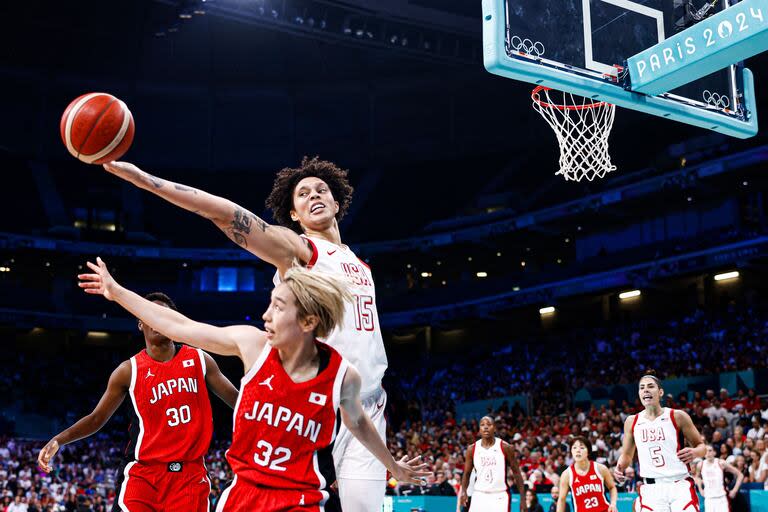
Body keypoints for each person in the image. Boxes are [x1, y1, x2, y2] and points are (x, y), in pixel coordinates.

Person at [102, 156, 390, 511]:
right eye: (302, 194)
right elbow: (227, 215)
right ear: (294, 215)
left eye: (321, 189)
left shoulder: (361, 266)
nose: (314, 195)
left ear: (337, 202)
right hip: (314, 411)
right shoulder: (300, 250)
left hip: (368, 405)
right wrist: (148, 181)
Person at [78, 257, 429, 511]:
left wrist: (392, 466)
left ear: (307, 321)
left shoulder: (342, 375)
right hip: (243, 494)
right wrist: (117, 292)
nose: (265, 316)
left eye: (277, 308)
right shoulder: (251, 344)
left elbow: (360, 425)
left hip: (299, 497)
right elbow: (179, 326)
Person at [37, 290, 238, 512]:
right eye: (150, 314)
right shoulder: (128, 371)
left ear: (174, 321)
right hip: (144, 477)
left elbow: (238, 402)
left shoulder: (200, 360)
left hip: (189, 476)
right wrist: (59, 439)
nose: (157, 320)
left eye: (164, 314)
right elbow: (96, 418)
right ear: (140, 323)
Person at [614, 370, 706, 512]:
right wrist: (620, 466)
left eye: (650, 386)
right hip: (652, 488)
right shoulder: (631, 421)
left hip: (679, 485)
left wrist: (694, 452)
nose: (646, 390)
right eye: (642, 388)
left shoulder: (678, 416)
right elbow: (627, 455)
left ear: (660, 392)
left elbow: (702, 447)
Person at [459, 416, 525, 512]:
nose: (485, 427)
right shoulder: (472, 449)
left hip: (500, 494)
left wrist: (522, 498)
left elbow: (517, 473)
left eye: (489, 424)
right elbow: (467, 473)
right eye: (482, 425)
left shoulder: (505, 447)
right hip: (479, 494)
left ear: (494, 428)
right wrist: (464, 491)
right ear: (479, 429)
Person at [557, 436, 617, 512]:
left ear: (588, 451)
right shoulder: (567, 474)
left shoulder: (601, 468)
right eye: (574, 448)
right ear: (571, 452)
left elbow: (612, 487)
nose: (577, 451)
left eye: (581, 448)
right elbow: (561, 499)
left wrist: (613, 504)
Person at [694, 445, 744, 512]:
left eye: (710, 450)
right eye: (706, 451)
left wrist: (734, 491)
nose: (708, 453)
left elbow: (740, 475)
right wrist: (700, 489)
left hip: (722, 498)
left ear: (714, 452)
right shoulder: (700, 465)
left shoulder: (721, 463)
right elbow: (697, 477)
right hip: (708, 499)